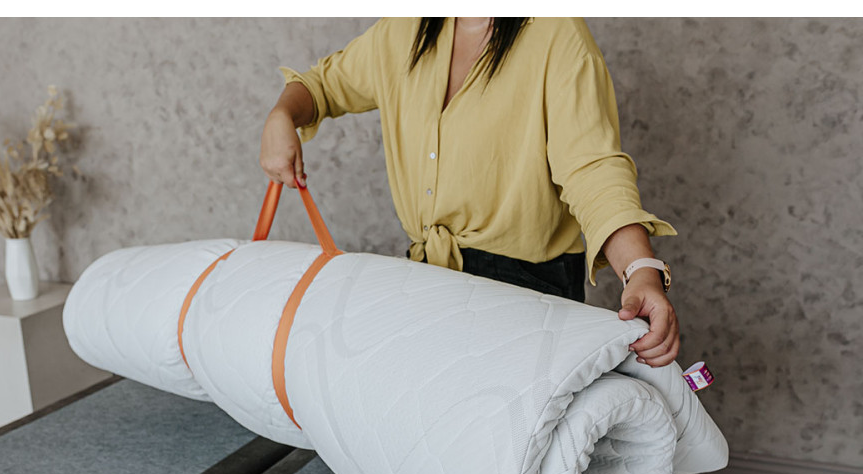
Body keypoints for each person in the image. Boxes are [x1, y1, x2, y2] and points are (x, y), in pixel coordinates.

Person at [260, 17, 680, 368]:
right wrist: (282, 114)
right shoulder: (405, 28)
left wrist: (641, 270)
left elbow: (594, 171)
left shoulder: (557, 35)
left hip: (526, 290)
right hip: (429, 279)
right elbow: (322, 85)